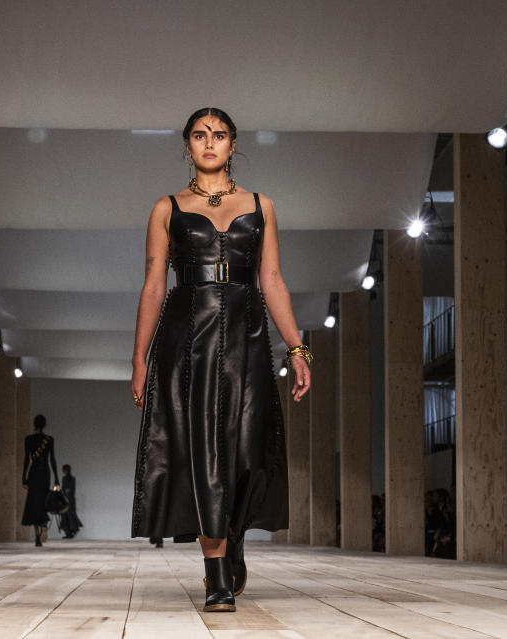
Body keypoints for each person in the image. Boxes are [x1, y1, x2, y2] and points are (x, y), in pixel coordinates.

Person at [130, 107, 312, 613]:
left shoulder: (262, 205)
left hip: (248, 337)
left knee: (250, 449)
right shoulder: (166, 209)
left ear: (233, 144)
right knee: (204, 450)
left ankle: (233, 537)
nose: (209, 142)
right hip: (186, 338)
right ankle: (215, 576)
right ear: (187, 145)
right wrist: (139, 357)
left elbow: (272, 280)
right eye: (199, 135)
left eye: (219, 135)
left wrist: (297, 348)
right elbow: (152, 285)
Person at [21, 414, 58, 546]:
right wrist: (57, 479)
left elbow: (27, 459)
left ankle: (37, 534)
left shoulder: (29, 439)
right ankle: (43, 526)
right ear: (45, 424)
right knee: (43, 502)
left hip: (34, 473)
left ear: (34, 424)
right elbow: (52, 459)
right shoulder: (49, 439)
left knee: (33, 503)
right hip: (45, 474)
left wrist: (23, 478)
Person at [58, 464, 83, 539]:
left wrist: (66, 492)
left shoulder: (72, 479)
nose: (63, 471)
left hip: (70, 500)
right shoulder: (64, 478)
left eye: (64, 470)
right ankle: (68, 533)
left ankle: (74, 530)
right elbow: (63, 488)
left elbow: (71, 489)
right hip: (65, 499)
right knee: (64, 516)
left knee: (71, 515)